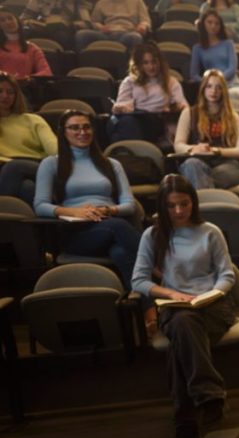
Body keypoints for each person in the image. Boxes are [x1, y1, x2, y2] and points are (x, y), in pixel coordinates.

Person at [131, 174, 235, 438]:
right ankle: (209, 395)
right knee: (183, 323)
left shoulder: (210, 232)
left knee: (182, 330)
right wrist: (172, 294)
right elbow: (139, 280)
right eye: (172, 206)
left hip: (212, 305)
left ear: (194, 202)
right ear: (163, 207)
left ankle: (186, 418)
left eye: (184, 204)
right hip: (175, 306)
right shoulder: (152, 235)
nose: (178, 211)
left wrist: (211, 294)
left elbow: (227, 275)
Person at [33, 109, 141, 288]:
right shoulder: (51, 164)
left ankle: (144, 308)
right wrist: (75, 211)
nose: (82, 132)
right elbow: (40, 206)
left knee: (121, 253)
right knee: (119, 226)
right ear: (64, 132)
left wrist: (107, 210)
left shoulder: (112, 164)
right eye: (74, 128)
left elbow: (129, 205)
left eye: (86, 127)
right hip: (78, 232)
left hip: (110, 223)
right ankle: (160, 269)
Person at [174, 69, 239, 190]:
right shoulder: (189, 113)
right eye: (209, 86)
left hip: (226, 164)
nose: (213, 91)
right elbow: (178, 145)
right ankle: (210, 201)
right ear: (203, 89)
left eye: (218, 87)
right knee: (191, 165)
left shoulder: (234, 117)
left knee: (199, 176)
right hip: (197, 160)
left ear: (224, 91)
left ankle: (201, 199)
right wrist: (194, 148)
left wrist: (216, 151)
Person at [109, 41, 189, 145]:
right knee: (125, 123)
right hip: (136, 119)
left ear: (160, 62)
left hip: (158, 121)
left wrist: (175, 107)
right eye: (146, 63)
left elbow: (184, 107)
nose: (151, 67)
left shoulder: (171, 82)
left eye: (154, 62)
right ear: (139, 65)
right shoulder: (129, 82)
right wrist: (122, 108)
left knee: (122, 132)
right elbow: (122, 105)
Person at [0, 72, 57, 204]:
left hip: (35, 166)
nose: (5, 96)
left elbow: (54, 148)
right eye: (0, 91)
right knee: (27, 188)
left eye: (10, 92)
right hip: (4, 169)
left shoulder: (33, 120)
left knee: (14, 167)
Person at [191, 10, 239, 102]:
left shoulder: (228, 44)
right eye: (209, 22)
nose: (213, 26)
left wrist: (218, 80)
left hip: (231, 84)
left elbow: (232, 68)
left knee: (233, 96)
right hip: (210, 86)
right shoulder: (197, 48)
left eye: (217, 23)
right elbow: (194, 75)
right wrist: (208, 83)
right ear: (203, 24)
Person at [75, 0, 151, 53]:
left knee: (135, 37)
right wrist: (101, 27)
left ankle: (134, 71)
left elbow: (145, 20)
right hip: (106, 34)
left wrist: (142, 26)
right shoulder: (102, 2)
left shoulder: (137, 2)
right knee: (81, 35)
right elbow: (94, 21)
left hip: (127, 32)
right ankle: (84, 69)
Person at [20, 0, 92, 52]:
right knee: (24, 32)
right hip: (42, 28)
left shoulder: (78, 2)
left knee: (61, 35)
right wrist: (29, 22)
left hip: (66, 31)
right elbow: (23, 18)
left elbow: (87, 23)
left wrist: (70, 24)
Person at [0, 8, 53, 79]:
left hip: (25, 87)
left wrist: (27, 79)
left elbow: (46, 72)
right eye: (2, 20)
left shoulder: (32, 48)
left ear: (17, 20)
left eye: (10, 18)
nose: (8, 22)